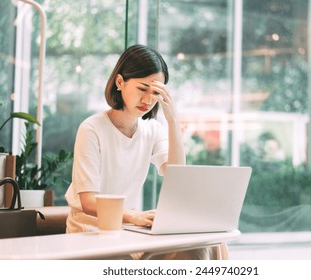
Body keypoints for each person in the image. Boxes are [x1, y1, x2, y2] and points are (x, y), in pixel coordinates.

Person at [64, 44, 228, 260]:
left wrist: (172, 119)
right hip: (91, 232)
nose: (148, 100)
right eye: (142, 89)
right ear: (120, 82)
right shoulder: (92, 129)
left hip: (129, 231)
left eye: (156, 92)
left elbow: (176, 176)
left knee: (204, 245)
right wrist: (135, 217)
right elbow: (88, 202)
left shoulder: (152, 130)